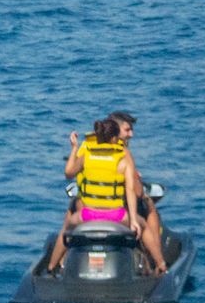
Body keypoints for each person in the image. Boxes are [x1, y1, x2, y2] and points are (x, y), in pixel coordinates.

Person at [44, 117, 168, 276]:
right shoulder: (122, 159)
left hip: (87, 215)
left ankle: (51, 267)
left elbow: (68, 173)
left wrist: (74, 147)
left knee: (67, 227)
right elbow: (130, 190)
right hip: (116, 215)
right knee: (144, 226)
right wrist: (134, 221)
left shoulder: (87, 155)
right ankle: (161, 265)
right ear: (115, 138)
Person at [109, 110, 168, 274]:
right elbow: (137, 192)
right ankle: (158, 263)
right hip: (117, 212)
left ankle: (57, 265)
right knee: (149, 207)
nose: (132, 135)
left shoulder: (92, 150)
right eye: (127, 130)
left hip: (90, 210)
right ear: (116, 130)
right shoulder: (124, 154)